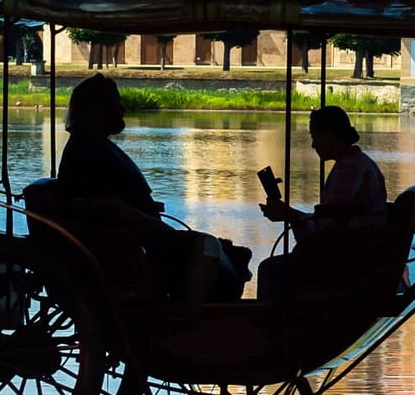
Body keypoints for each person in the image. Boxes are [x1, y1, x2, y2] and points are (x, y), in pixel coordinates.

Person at [56, 73, 249, 300]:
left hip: (135, 236)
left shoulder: (91, 146)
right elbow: (103, 207)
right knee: (208, 245)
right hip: (130, 243)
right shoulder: (90, 150)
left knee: (223, 248)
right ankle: (188, 315)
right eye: (117, 102)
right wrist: (156, 225)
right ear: (100, 108)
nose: (123, 108)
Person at [256, 105, 389, 300]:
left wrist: (289, 214)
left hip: (345, 257)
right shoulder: (359, 163)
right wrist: (291, 215)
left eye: (315, 136)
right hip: (357, 252)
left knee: (269, 269)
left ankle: (269, 325)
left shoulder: (348, 170)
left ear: (330, 135)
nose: (313, 144)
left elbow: (327, 229)